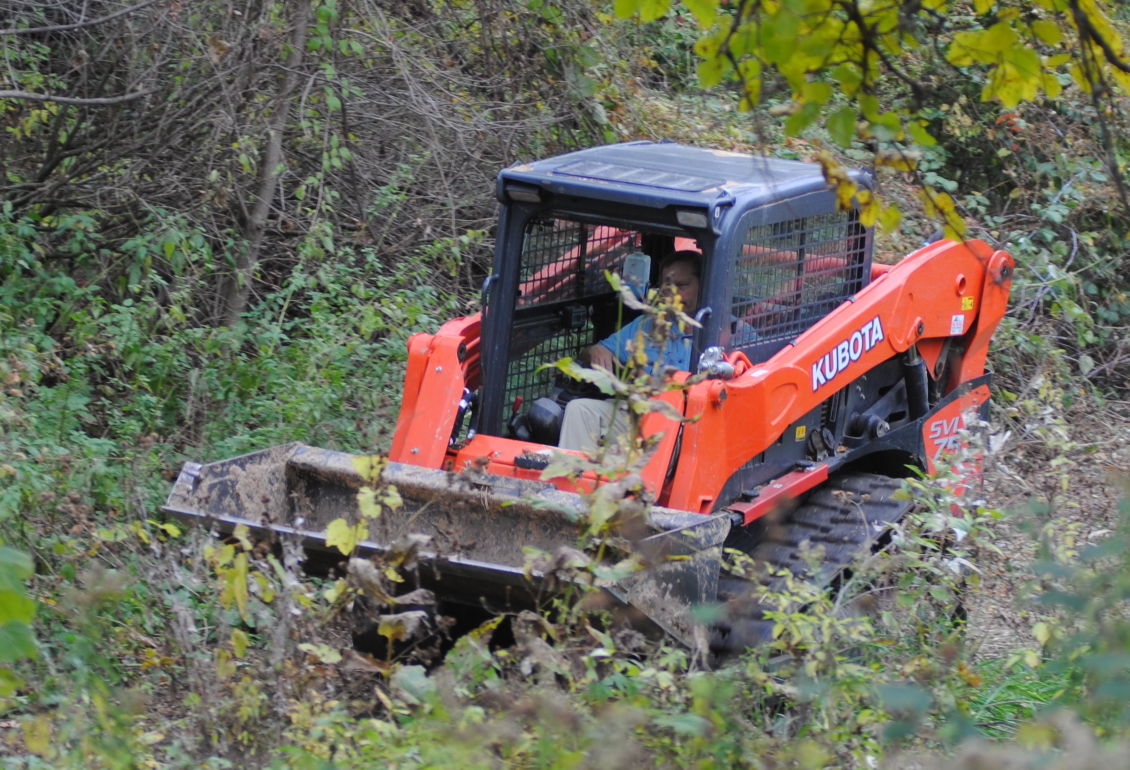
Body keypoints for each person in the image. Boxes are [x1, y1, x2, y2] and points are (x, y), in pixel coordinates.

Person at [558, 251, 701, 452]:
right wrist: (596, 351)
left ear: (703, 285)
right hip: (639, 417)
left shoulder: (729, 333)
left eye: (682, 286)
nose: (673, 295)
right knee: (579, 410)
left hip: (690, 428)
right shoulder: (647, 324)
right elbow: (596, 351)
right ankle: (573, 472)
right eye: (667, 287)